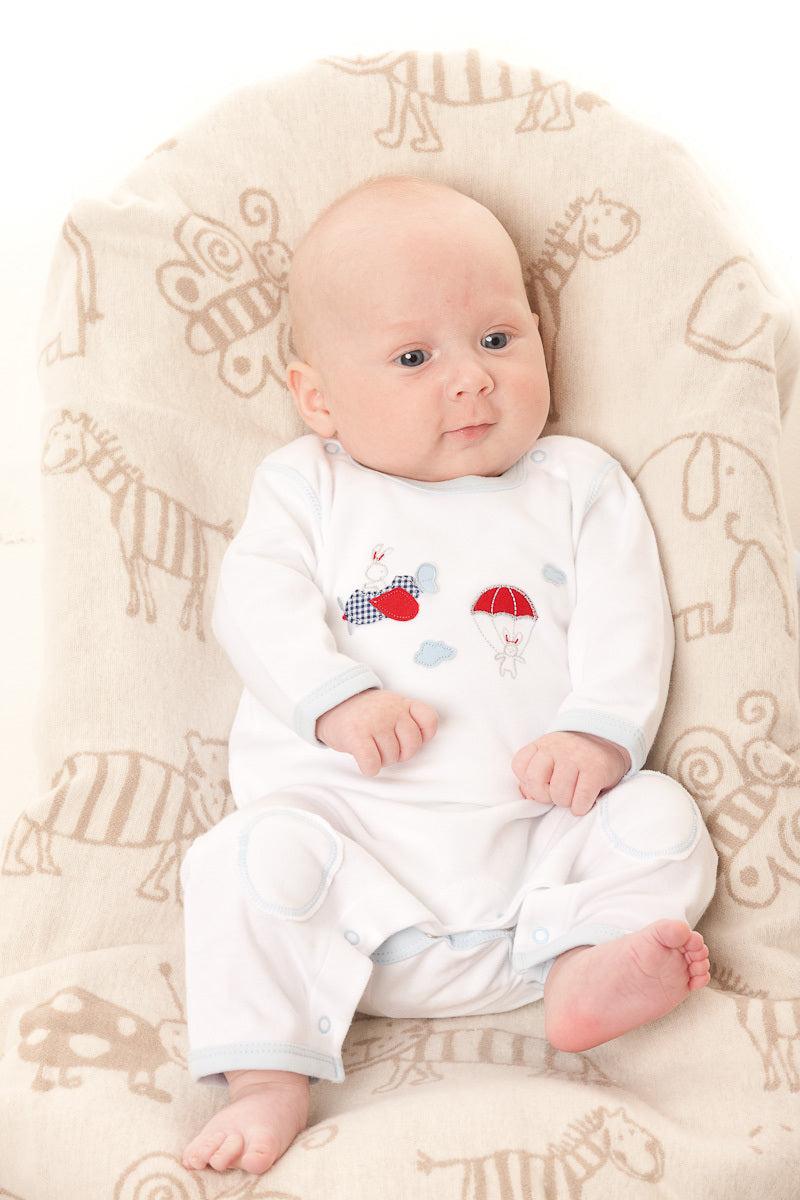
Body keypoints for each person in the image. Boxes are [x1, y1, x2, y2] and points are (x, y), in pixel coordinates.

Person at [180, 176, 718, 1175]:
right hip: (349, 872)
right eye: (413, 357)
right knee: (236, 862)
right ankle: (268, 1074)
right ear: (318, 398)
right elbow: (253, 605)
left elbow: (625, 620)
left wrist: (596, 735)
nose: (469, 379)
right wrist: (333, 699)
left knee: (659, 818)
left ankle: (582, 969)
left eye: (497, 340)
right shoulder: (307, 486)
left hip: (532, 861)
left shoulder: (575, 481)